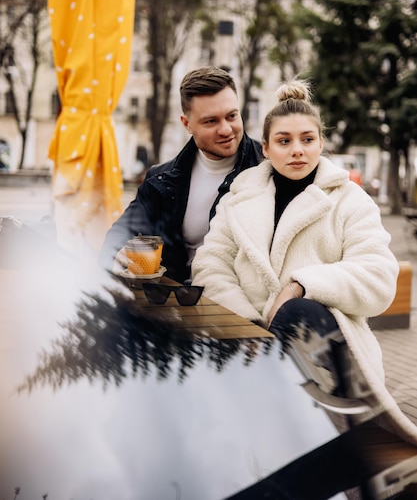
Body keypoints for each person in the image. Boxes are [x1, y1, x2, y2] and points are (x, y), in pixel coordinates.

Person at [192, 78, 417, 446]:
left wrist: (302, 286)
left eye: (307, 139)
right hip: (252, 346)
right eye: (284, 141)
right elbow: (211, 263)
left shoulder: (350, 201)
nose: (297, 150)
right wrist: (248, 323)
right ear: (265, 147)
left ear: (321, 143)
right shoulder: (240, 195)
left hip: (328, 358)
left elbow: (379, 278)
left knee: (298, 313)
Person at [98, 66, 263, 282]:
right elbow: (122, 231)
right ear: (187, 124)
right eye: (211, 121)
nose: (225, 129)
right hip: (177, 301)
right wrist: (117, 253)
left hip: (241, 302)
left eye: (231, 116)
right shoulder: (161, 179)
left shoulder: (270, 168)